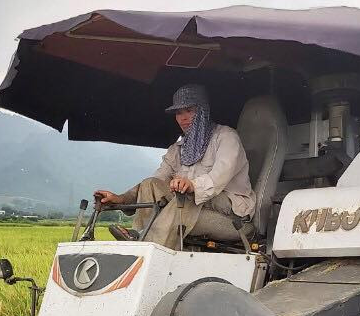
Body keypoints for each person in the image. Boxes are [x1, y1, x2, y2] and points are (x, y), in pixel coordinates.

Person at [94, 83, 255, 248]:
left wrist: (192, 185)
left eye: (189, 111)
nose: (183, 118)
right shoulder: (178, 149)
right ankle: (140, 239)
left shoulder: (226, 137)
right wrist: (121, 199)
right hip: (192, 205)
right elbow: (157, 181)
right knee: (150, 185)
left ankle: (145, 246)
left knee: (183, 201)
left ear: (203, 111)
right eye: (178, 113)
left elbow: (217, 179)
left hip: (231, 215)